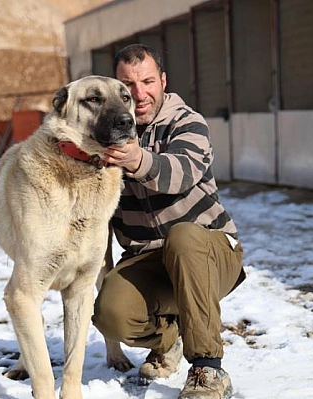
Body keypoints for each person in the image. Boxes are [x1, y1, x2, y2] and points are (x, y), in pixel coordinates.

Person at [93, 43, 246, 399]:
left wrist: (135, 160)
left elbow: (179, 174)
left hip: (210, 253)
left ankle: (208, 370)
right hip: (148, 259)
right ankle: (169, 338)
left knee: (184, 237)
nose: (139, 93)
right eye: (127, 85)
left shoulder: (187, 122)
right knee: (110, 312)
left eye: (147, 81)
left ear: (163, 81)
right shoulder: (104, 134)